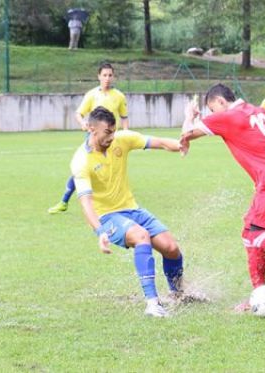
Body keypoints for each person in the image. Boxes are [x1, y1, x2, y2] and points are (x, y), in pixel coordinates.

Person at [180, 83, 265, 310]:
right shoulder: (257, 111)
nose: (213, 115)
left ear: (219, 102)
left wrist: (190, 115)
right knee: (250, 232)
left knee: (256, 232)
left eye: (212, 109)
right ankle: (258, 294)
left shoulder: (226, 116)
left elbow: (186, 133)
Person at [72, 106, 191, 318]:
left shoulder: (121, 139)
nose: (112, 137)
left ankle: (178, 295)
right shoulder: (81, 160)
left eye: (114, 131)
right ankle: (152, 304)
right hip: (106, 217)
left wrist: (180, 145)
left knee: (171, 248)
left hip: (132, 209)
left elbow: (161, 143)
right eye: (107, 132)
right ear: (91, 129)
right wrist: (99, 232)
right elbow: (86, 203)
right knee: (141, 236)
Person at [49, 63, 128, 214]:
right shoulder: (92, 95)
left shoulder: (119, 96)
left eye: (110, 75)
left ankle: (113, 202)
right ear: (98, 76)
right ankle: (64, 201)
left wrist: (125, 133)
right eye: (104, 75)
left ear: (114, 77)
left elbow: (124, 117)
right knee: (81, 169)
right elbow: (79, 113)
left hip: (112, 139)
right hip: (94, 140)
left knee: (113, 169)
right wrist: (83, 123)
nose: (107, 78)